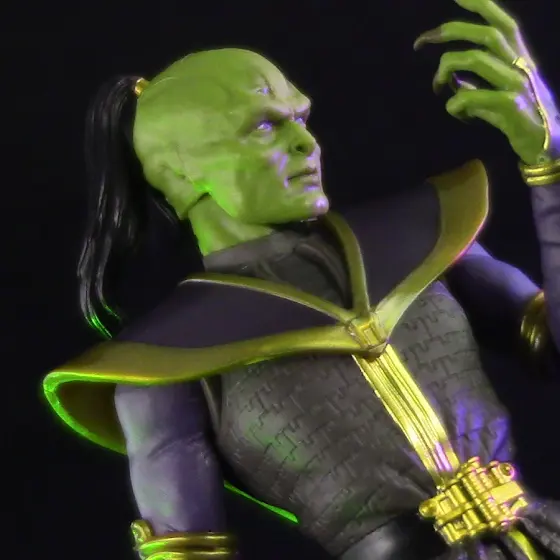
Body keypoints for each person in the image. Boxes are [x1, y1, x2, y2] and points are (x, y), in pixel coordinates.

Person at [43, 0, 560, 558]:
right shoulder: (165, 361)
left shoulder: (421, 239)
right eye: (264, 126)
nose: (306, 144)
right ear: (180, 172)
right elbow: (186, 550)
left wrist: (550, 166)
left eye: (301, 119)